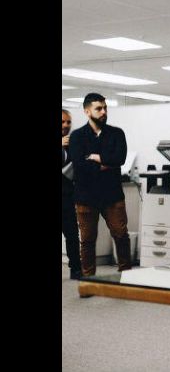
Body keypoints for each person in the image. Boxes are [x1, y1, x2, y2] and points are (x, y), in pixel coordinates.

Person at [69, 93, 132, 276]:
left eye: (105, 108)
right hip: (85, 196)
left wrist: (95, 157)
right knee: (87, 240)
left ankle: (126, 275)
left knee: (121, 235)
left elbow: (119, 158)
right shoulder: (77, 136)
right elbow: (79, 165)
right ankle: (88, 279)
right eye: (99, 108)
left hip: (112, 195)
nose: (103, 112)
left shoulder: (116, 133)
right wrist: (106, 164)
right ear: (87, 111)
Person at [62, 109, 82, 280]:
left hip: (67, 196)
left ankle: (76, 268)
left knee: (72, 234)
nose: (66, 125)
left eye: (68, 122)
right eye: (62, 122)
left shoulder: (72, 143)